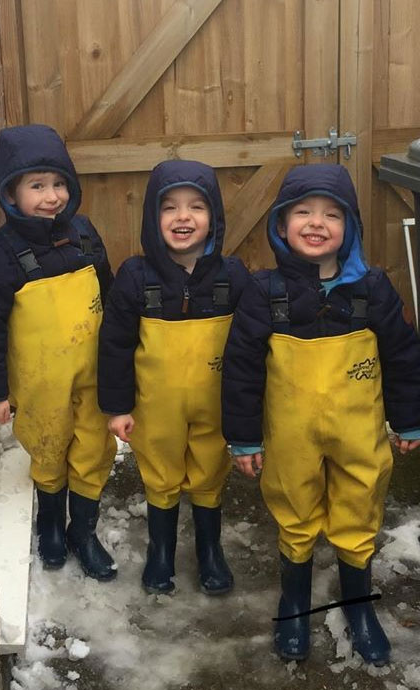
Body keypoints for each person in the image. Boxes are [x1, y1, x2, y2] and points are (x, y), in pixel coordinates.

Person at [222, 163, 420, 665]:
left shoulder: (372, 289)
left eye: (332, 215)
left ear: (350, 227)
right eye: (303, 212)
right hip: (291, 437)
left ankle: (358, 605)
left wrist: (409, 419)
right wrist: (245, 439)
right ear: (281, 224)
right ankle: (294, 602)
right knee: (294, 510)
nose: (317, 223)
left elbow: (403, 357)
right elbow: (242, 370)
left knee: (359, 508)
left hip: (359, 434)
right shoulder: (263, 292)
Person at [0, 124, 117, 581]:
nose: (52, 196)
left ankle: (83, 531)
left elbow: (111, 301)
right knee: (49, 447)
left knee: (94, 448)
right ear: (10, 193)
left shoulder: (85, 235)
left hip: (94, 374)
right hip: (39, 384)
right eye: (37, 185)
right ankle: (51, 522)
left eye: (59, 184)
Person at [98, 159, 249, 595]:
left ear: (214, 218)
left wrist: (250, 411)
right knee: (161, 475)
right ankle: (160, 551)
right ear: (152, 217)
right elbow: (115, 346)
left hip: (214, 405)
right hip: (155, 409)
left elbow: (251, 346)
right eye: (170, 208)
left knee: (208, 473)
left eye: (197, 207)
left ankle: (209, 551)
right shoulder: (134, 277)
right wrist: (117, 406)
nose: (183, 217)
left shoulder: (232, 277)